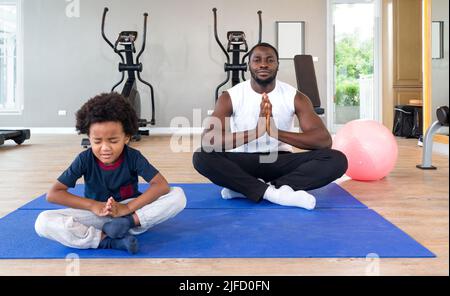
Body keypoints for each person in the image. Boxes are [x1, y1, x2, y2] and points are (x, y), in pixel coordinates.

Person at [193, 42, 348, 210]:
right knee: (202, 156)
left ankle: (248, 189)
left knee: (337, 159)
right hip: (245, 163)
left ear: (277, 65)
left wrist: (275, 132)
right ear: (249, 65)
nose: (263, 64)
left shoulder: (295, 96)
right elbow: (209, 140)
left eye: (270, 60)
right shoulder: (230, 96)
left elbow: (324, 140)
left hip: (280, 161)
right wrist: (255, 132)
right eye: (257, 60)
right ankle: (277, 193)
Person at [35, 93, 186, 254]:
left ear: (126, 137)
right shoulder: (84, 159)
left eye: (113, 141)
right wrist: (94, 206)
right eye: (97, 141)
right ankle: (106, 241)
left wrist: (127, 209)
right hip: (98, 217)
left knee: (178, 195)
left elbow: (161, 185)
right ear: (89, 137)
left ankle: (126, 224)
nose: (105, 148)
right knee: (43, 222)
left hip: (133, 215)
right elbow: (53, 194)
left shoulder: (133, 157)